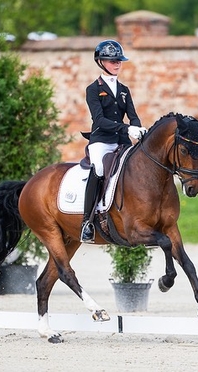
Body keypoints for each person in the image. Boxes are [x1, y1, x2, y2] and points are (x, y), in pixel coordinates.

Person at [80, 39, 147, 243]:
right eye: (112, 60)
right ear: (101, 62)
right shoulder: (93, 89)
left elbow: (132, 115)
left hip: (122, 142)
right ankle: (87, 222)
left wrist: (138, 128)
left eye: (119, 60)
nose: (117, 64)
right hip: (101, 140)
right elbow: (99, 119)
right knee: (99, 170)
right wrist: (127, 128)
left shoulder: (124, 89)